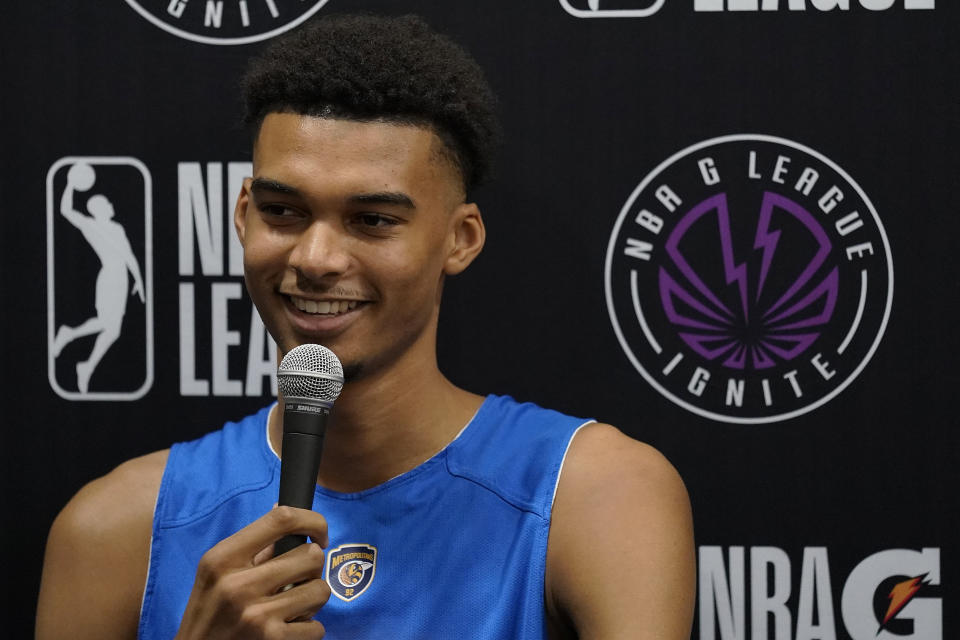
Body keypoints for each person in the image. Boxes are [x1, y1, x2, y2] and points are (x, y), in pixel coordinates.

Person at [36, 14, 694, 639]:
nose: (315, 259)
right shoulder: (116, 527)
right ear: (243, 215)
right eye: (284, 211)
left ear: (460, 239)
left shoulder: (595, 495)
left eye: (373, 220)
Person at [52, 163, 145, 393]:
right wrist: (71, 185)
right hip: (109, 277)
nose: (111, 204)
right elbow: (65, 210)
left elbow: (129, 257)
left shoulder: (117, 228)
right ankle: (69, 335)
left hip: (122, 279)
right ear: (98, 209)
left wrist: (139, 283)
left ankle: (86, 366)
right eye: (106, 203)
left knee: (112, 331)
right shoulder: (91, 226)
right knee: (107, 325)